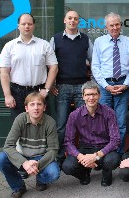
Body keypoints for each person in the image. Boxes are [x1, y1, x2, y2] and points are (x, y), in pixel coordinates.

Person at [0, 92, 60, 198]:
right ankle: (18, 187)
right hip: (23, 155)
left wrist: (38, 164)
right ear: (26, 108)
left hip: (41, 157)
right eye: (32, 104)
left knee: (54, 173)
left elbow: (53, 150)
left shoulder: (50, 122)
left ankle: (40, 180)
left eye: (39, 104)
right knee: (1, 158)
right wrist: (24, 163)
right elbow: (8, 146)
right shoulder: (20, 119)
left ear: (44, 107)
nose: (36, 108)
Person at [50, 10, 93, 164]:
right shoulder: (55, 39)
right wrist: (51, 84)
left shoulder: (85, 39)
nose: (72, 21)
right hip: (62, 87)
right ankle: (60, 157)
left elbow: (93, 61)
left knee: (83, 124)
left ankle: (82, 159)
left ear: (78, 22)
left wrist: (92, 84)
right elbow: (50, 63)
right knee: (61, 125)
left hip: (82, 88)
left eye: (75, 19)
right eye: (70, 18)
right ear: (64, 20)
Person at [0, 13, 58, 120]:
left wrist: (47, 89)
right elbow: (4, 73)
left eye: (29, 24)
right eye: (23, 24)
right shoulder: (9, 47)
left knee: (42, 125)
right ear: (18, 26)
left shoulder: (44, 45)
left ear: (34, 26)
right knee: (20, 126)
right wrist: (7, 95)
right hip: (17, 93)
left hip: (39, 92)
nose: (26, 26)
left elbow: (54, 67)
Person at [62, 81, 121, 187]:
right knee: (68, 166)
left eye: (94, 94)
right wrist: (81, 157)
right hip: (85, 148)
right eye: (88, 94)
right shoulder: (74, 115)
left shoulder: (109, 112)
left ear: (99, 95)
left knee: (113, 160)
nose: (91, 97)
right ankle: (84, 174)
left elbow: (115, 140)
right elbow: (68, 142)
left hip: (104, 148)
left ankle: (106, 174)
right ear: (83, 97)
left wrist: (95, 157)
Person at [92, 12, 129, 154]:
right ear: (106, 27)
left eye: (117, 24)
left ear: (120, 25)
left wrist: (126, 84)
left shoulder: (128, 41)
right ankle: (105, 153)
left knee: (121, 123)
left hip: (123, 84)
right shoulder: (99, 42)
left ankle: (118, 154)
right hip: (105, 86)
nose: (115, 27)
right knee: (103, 122)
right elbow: (95, 66)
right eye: (111, 25)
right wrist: (106, 86)